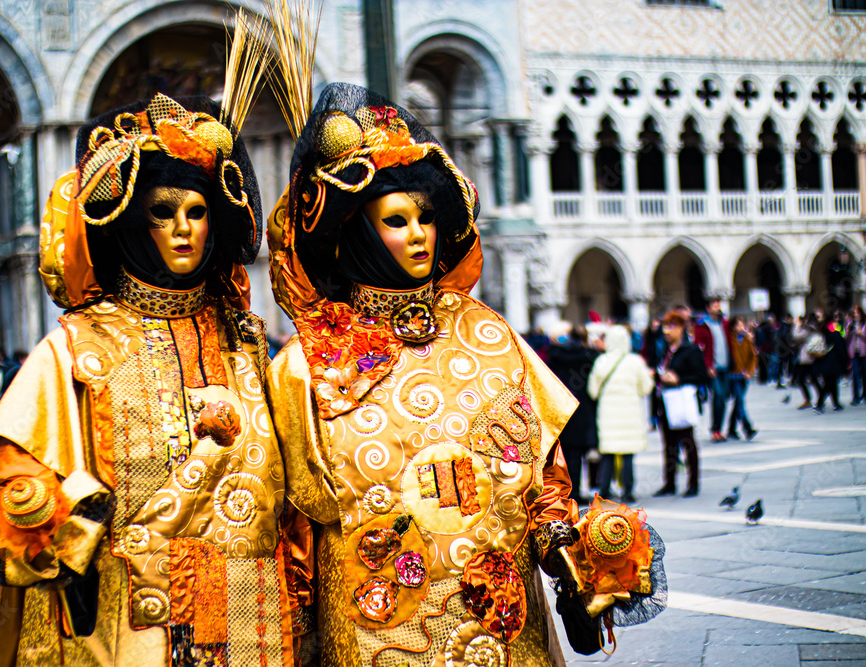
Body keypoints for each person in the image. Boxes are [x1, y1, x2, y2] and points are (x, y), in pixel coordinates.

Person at [264, 79, 647, 666]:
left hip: (504, 624)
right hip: (378, 633)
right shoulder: (305, 363)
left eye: (425, 217)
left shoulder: (486, 333)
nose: (419, 233)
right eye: (396, 220)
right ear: (357, 233)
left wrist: (565, 550)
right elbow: (291, 530)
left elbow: (543, 473)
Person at [0, 86, 292, 664]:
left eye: (196, 213)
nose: (183, 230)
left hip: (246, 610)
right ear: (127, 226)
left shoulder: (245, 341)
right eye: (162, 213)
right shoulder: (77, 345)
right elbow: (19, 482)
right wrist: (64, 516)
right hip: (124, 621)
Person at [589, 325, 654, 503]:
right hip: (629, 413)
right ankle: (627, 491)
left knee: (608, 453)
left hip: (608, 413)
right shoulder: (635, 361)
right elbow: (646, 387)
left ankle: (603, 490)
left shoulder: (601, 361)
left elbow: (593, 391)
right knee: (627, 454)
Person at [654, 310, 709, 497]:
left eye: (670, 327)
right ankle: (669, 483)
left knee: (688, 443)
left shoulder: (690, 350)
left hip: (682, 402)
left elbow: (701, 375)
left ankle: (693, 483)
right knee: (668, 445)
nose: (666, 331)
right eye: (664, 327)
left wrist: (679, 379)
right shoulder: (666, 350)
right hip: (666, 403)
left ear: (680, 328)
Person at [546, 323, 599, 503]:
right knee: (580, 452)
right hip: (582, 407)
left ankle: (568, 491)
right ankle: (580, 489)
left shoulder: (553, 357)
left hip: (561, 407)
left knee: (566, 454)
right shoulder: (587, 355)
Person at [694, 298, 732, 443]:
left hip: (726, 366)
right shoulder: (702, 326)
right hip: (713, 368)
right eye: (715, 305)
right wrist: (707, 366)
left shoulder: (725, 324)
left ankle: (719, 429)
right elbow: (699, 348)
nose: (718, 307)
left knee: (723, 398)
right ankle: (716, 430)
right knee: (719, 396)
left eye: (719, 305)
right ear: (708, 308)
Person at [727, 316, 758, 440]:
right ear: (733, 327)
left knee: (737, 403)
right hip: (733, 376)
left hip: (744, 376)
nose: (741, 327)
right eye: (738, 325)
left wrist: (750, 372)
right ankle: (747, 427)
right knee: (740, 401)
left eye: (742, 325)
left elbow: (753, 357)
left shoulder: (747, 339)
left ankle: (731, 430)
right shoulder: (729, 339)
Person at [814, 314, 848, 413]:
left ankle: (836, 403)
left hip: (822, 362)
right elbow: (841, 350)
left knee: (831, 383)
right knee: (829, 384)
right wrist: (845, 362)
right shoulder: (835, 335)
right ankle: (820, 404)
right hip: (833, 362)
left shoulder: (821, 334)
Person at [846, 306, 866, 406]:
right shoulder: (850, 323)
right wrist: (849, 330)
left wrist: (859, 332)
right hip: (853, 352)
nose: (855, 315)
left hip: (864, 352)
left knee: (865, 374)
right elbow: (846, 338)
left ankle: (865, 393)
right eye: (854, 313)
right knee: (855, 374)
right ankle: (856, 396)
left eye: (857, 313)